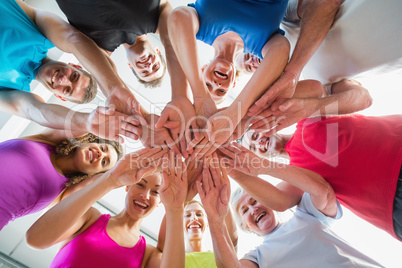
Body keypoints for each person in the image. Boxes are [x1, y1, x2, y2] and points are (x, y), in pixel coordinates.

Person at [201, 149, 383, 267]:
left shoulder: (306, 215)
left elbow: (323, 192)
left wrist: (264, 166)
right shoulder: (257, 257)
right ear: (246, 226)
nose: (253, 209)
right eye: (245, 210)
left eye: (254, 200)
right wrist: (214, 219)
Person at [239, 114, 402, 240]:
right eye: (253, 148)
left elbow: (315, 89)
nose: (258, 144)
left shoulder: (305, 120)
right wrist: (245, 167)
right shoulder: (295, 177)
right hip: (391, 204)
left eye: (255, 137)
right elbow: (279, 200)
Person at [0, 0, 144, 142]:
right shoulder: (40, 28)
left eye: (67, 90)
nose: (63, 80)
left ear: (61, 97)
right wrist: (114, 88)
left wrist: (86, 122)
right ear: (75, 66)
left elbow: (32, 110)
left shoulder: (13, 90)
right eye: (74, 76)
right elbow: (74, 40)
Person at [168, 0, 291, 158]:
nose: (216, 83)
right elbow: (282, 48)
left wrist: (200, 94)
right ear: (233, 84)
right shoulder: (261, 46)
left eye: (208, 85)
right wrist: (235, 113)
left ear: (203, 70)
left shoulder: (201, 28)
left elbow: (178, 17)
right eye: (220, 90)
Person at [26, 149, 186, 268]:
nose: (145, 195)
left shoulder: (148, 255)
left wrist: (178, 206)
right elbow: (35, 239)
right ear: (127, 186)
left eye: (155, 192)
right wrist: (111, 179)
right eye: (140, 185)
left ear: (160, 201)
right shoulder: (89, 218)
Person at [248, 0, 402, 116]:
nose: (252, 62)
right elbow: (364, 98)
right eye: (249, 69)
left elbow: (326, 2)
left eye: (248, 54)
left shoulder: (283, 18)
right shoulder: (313, 81)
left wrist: (293, 71)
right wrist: (314, 107)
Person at [0, 129, 123, 230]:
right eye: (102, 148)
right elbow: (81, 124)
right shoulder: (48, 141)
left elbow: (103, 182)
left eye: (104, 162)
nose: (100, 154)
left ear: (94, 175)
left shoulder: (63, 194)